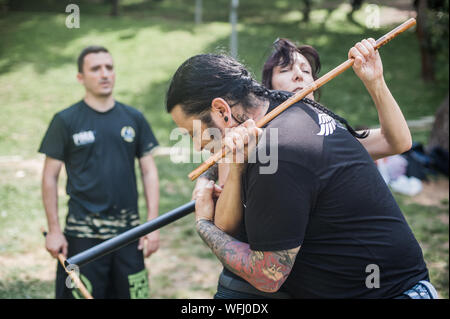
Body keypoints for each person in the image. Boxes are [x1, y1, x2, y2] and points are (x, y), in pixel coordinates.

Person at [166, 41, 437, 298]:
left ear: (221, 110)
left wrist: (203, 226)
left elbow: (267, 275)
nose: (199, 145)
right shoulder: (284, 109)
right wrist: (214, 173)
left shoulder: (277, 152)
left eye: (193, 133)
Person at [192, 38, 412, 203]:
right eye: (286, 70)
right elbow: (227, 210)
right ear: (266, 91)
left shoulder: (330, 136)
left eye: (306, 70)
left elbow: (396, 142)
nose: (299, 75)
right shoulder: (251, 139)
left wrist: (375, 81)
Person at [39, 46, 160, 299]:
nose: (105, 74)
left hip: (129, 235)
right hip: (82, 237)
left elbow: (149, 171)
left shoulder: (133, 117)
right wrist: (54, 230)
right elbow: (50, 177)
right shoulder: (65, 120)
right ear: (80, 78)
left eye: (109, 67)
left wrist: (152, 224)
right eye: (96, 69)